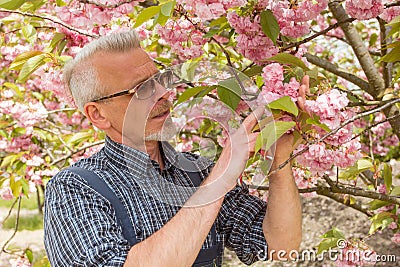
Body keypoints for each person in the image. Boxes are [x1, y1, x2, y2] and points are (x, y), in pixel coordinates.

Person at [44, 30, 304, 266]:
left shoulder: (197, 172)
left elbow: (278, 246)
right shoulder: (74, 189)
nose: (162, 94)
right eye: (141, 88)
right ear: (98, 114)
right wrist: (221, 178)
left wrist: (279, 160)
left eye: (159, 80)